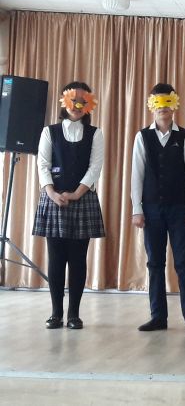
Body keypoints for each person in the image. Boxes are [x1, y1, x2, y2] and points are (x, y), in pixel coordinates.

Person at [33, 81, 105, 330]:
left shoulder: (95, 133)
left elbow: (95, 167)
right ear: (64, 102)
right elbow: (43, 165)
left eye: (83, 101)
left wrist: (76, 193)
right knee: (55, 258)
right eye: (73, 100)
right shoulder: (49, 131)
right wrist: (52, 193)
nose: (77, 105)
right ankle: (56, 313)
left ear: (89, 105)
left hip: (83, 199)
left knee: (78, 259)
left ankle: (74, 314)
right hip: (53, 199)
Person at [131, 83, 185, 333]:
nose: (163, 108)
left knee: (184, 263)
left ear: (175, 105)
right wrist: (136, 208)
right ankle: (158, 316)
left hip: (179, 208)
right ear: (151, 106)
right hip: (151, 209)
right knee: (155, 263)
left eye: (167, 103)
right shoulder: (142, 137)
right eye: (158, 103)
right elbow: (137, 174)